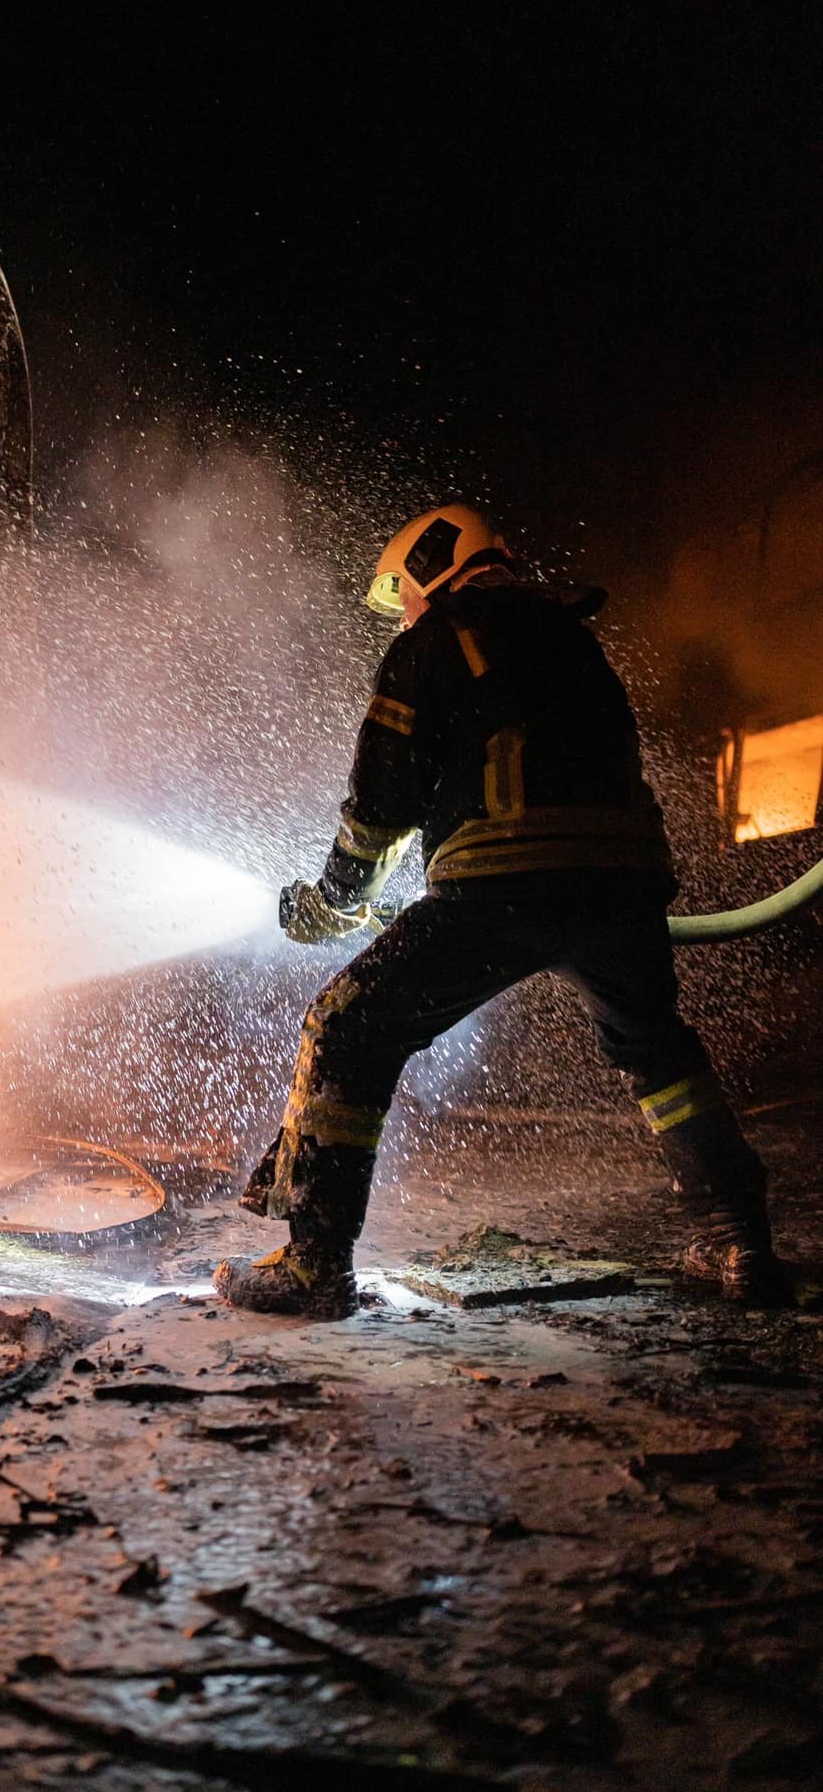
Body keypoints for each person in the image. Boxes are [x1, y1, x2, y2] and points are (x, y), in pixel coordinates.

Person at [214, 504, 793, 1318]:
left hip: (501, 883)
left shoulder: (432, 642)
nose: (408, 613)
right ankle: (738, 1240)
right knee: (656, 1049)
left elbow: (382, 804)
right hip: (621, 883)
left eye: (406, 596)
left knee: (345, 1028)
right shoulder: (574, 639)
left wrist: (336, 902)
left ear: (428, 570)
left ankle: (315, 1265)